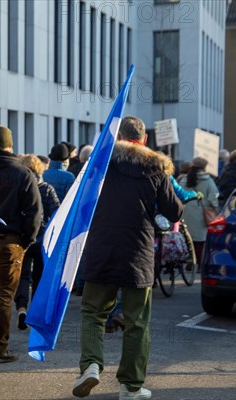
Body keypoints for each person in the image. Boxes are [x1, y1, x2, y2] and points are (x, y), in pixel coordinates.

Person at [72, 116, 182, 400]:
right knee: (137, 321)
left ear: (118, 135)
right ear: (144, 139)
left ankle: (91, 365)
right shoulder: (156, 168)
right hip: (138, 251)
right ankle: (131, 387)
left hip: (101, 247)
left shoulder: (100, 164)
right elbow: (174, 212)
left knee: (93, 312)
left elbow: (80, 202)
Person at [0, 125, 42, 364]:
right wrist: (27, 240)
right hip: (10, 241)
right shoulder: (22, 173)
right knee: (3, 294)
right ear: (10, 145)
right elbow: (34, 211)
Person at [15, 154, 60, 330]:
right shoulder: (46, 188)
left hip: (23, 238)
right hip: (43, 240)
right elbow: (56, 212)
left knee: (22, 275)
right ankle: (37, 311)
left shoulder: (19, 187)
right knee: (40, 276)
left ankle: (21, 308)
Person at [178, 157, 219, 268]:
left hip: (186, 211)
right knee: (200, 240)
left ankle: (190, 261)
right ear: (205, 167)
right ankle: (200, 263)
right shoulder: (208, 180)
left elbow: (179, 194)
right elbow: (213, 197)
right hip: (201, 212)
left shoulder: (185, 179)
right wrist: (215, 208)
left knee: (187, 237)